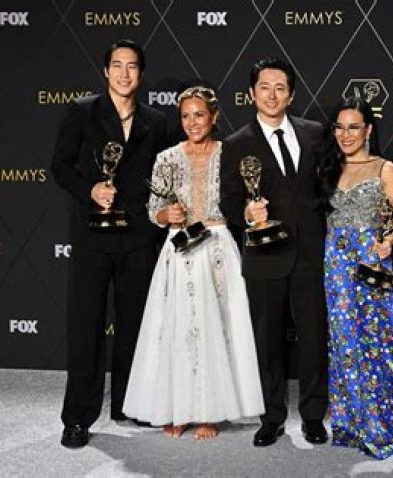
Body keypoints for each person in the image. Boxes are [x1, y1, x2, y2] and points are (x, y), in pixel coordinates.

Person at [122, 86, 265, 439]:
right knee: (177, 328)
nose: (192, 122)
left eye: (199, 115)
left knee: (217, 328)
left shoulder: (229, 154)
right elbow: (153, 211)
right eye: (185, 116)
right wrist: (166, 215)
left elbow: (243, 201)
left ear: (213, 117)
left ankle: (209, 412)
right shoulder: (166, 158)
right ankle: (178, 409)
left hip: (217, 247)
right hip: (180, 249)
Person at [51, 39, 168, 448]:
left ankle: (128, 404)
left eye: (131, 66)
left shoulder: (156, 121)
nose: (123, 73)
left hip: (138, 237)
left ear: (141, 73)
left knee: (135, 326)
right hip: (92, 236)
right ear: (105, 71)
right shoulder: (82, 111)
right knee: (85, 327)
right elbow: (60, 166)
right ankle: (77, 417)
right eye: (116, 65)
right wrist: (91, 191)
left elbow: (164, 176)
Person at [219, 57, 328, 447]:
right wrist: (247, 214)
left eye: (280, 88)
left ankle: (313, 415)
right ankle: (272, 416)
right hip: (265, 256)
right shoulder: (236, 144)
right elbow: (228, 201)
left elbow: (327, 188)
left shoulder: (315, 133)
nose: (272, 95)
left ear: (291, 94)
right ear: (252, 93)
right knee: (267, 342)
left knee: (314, 337)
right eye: (264, 87)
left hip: (310, 253)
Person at [320, 97, 393, 459]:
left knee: (377, 339)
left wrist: (388, 241)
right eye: (340, 127)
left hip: (371, 262)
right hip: (336, 266)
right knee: (345, 342)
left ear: (368, 130)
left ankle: (385, 423)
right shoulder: (328, 168)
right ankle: (351, 423)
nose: (346, 134)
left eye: (354, 127)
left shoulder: (385, 167)